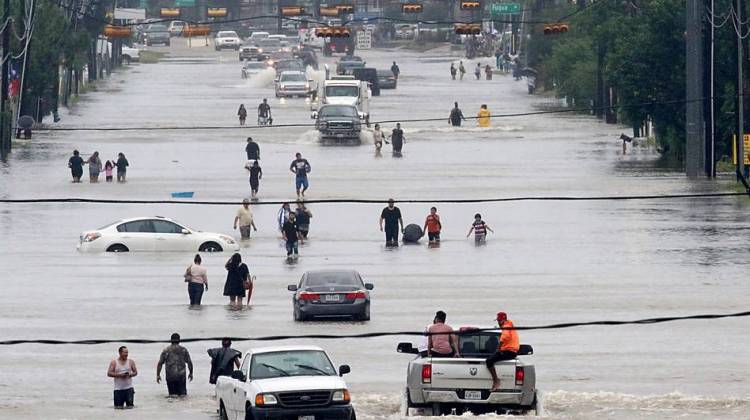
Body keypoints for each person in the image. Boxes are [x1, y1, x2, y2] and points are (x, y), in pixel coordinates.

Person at [486, 312, 520, 391]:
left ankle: (496, 381)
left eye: (499, 320)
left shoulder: (506, 326)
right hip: (510, 351)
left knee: (489, 361)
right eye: (498, 320)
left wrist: (498, 347)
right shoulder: (510, 325)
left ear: (504, 319)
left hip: (509, 352)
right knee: (492, 358)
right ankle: (496, 381)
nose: (498, 322)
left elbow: (505, 336)